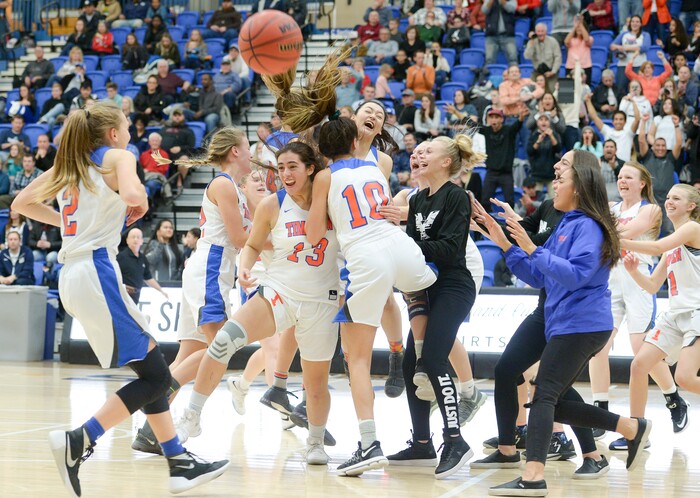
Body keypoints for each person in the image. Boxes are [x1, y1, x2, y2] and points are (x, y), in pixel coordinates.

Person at [10, 101, 228, 496]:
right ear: (113, 133)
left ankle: (178, 462)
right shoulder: (119, 156)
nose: (130, 132)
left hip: (74, 275)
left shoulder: (69, 165)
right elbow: (134, 194)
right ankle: (80, 438)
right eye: (127, 125)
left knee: (152, 374)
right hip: (96, 272)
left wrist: (72, 225)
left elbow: (20, 205)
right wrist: (137, 199)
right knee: (159, 376)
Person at [476, 150, 652, 495]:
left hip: (583, 323)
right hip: (566, 321)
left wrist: (531, 246)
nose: (554, 180)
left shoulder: (587, 225)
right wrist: (503, 240)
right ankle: (629, 428)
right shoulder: (567, 223)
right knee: (551, 397)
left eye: (562, 175)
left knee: (543, 394)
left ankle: (533, 476)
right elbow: (540, 277)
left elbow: (577, 275)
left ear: (581, 182)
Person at [132, 127, 255, 455]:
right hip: (211, 270)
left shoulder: (234, 187)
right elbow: (242, 239)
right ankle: (158, 407)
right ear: (234, 152)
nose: (252, 153)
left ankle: (150, 430)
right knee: (219, 349)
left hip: (205, 271)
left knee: (188, 355)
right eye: (247, 148)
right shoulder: (223, 184)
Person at [385, 132, 484, 479]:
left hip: (457, 282)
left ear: (446, 162)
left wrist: (403, 241)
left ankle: (455, 440)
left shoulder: (456, 196)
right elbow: (415, 250)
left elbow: (451, 249)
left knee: (435, 358)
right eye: (417, 150)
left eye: (428, 151)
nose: (418, 154)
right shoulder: (417, 201)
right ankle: (422, 442)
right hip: (429, 283)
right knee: (414, 360)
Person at [588, 162, 688, 445]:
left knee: (639, 349)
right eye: (619, 177)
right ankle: (600, 411)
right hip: (610, 278)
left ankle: (673, 397)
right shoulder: (611, 206)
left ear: (642, 182)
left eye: (628, 177)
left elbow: (623, 235)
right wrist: (608, 230)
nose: (622, 181)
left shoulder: (651, 209)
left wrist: (607, 231)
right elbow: (603, 235)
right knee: (599, 346)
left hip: (638, 277)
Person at [621, 184, 700, 445]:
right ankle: (636, 431)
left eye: (676, 198)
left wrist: (615, 238)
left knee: (685, 378)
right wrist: (633, 272)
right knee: (639, 364)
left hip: (696, 312)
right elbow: (654, 286)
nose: (669, 202)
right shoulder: (673, 242)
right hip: (675, 314)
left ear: (691, 206)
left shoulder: (692, 229)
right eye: (667, 197)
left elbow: (653, 248)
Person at [638, 113, 683, 235]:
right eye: (657, 145)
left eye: (663, 146)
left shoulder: (671, 158)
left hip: (667, 202)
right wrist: (643, 121)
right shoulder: (647, 157)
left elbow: (679, 143)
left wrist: (677, 125)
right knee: (647, 232)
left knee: (669, 231)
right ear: (653, 147)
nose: (660, 148)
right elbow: (641, 139)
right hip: (649, 200)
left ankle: (670, 254)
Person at [481, 107, 527, 210]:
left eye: (496, 117)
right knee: (484, 201)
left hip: (505, 173)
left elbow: (517, 125)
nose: (494, 120)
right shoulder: (487, 131)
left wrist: (521, 117)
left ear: (502, 119)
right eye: (491, 117)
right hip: (491, 172)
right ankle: (486, 222)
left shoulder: (508, 130)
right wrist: (456, 113)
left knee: (510, 201)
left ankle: (509, 223)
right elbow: (473, 125)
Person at [117, 227, 168, 304]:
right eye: (133, 237)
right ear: (127, 240)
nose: (135, 239)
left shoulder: (142, 258)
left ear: (142, 241)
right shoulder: (121, 257)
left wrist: (161, 290)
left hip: (136, 295)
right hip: (124, 295)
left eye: (138, 237)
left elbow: (148, 278)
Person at [585, 93, 640, 163]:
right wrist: (588, 101)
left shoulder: (629, 133)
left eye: (621, 119)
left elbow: (637, 119)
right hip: (607, 166)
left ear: (625, 122)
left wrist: (633, 102)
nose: (618, 122)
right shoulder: (607, 131)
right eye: (616, 119)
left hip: (624, 166)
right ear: (613, 122)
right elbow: (594, 117)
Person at [610, 16, 652, 94]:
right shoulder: (624, 34)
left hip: (639, 66)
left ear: (641, 24)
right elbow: (612, 46)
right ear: (630, 23)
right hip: (623, 65)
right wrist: (620, 47)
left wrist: (626, 48)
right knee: (620, 89)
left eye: (637, 22)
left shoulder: (645, 35)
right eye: (633, 21)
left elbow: (644, 48)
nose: (635, 24)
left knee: (639, 89)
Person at [527, 113, 560, 197]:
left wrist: (551, 136)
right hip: (537, 174)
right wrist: (538, 141)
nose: (543, 122)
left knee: (555, 199)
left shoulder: (554, 135)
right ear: (537, 123)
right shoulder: (533, 135)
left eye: (546, 120)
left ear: (549, 122)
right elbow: (529, 151)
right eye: (541, 120)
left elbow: (558, 149)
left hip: (551, 174)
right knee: (536, 200)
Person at [524, 23, 562, 92]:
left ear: (546, 32)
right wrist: (531, 43)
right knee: (529, 90)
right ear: (536, 32)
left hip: (551, 72)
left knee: (551, 91)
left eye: (542, 31)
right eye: (538, 31)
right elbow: (527, 56)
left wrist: (553, 71)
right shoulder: (532, 42)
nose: (540, 33)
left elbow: (558, 57)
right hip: (537, 72)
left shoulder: (553, 41)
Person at [482, 0, 518, 66]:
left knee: (513, 59)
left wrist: (502, 1)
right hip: (491, 35)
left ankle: (514, 75)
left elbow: (512, 9)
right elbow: (484, 10)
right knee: (489, 60)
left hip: (507, 35)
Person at [565, 17, 594, 84]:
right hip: (571, 66)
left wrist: (580, 23)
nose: (579, 29)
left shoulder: (590, 38)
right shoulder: (571, 39)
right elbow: (566, 41)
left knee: (585, 86)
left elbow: (587, 40)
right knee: (569, 87)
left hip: (585, 66)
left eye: (581, 27)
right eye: (578, 27)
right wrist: (575, 27)